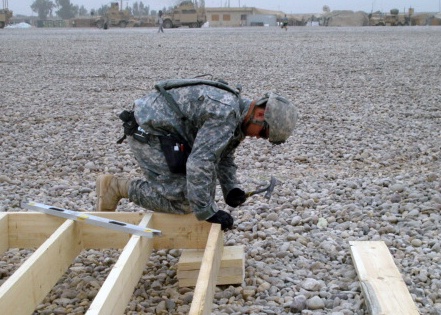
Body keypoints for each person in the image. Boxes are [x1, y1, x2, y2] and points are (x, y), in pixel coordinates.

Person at [96, 78, 298, 231]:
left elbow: (224, 155)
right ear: (260, 114)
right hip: (149, 132)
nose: (258, 137)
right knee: (183, 201)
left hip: (169, 133)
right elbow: (199, 162)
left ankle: (124, 187)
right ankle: (117, 187)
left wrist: (231, 189)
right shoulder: (225, 115)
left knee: (201, 192)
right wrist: (207, 212)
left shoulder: (237, 115)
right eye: (263, 133)